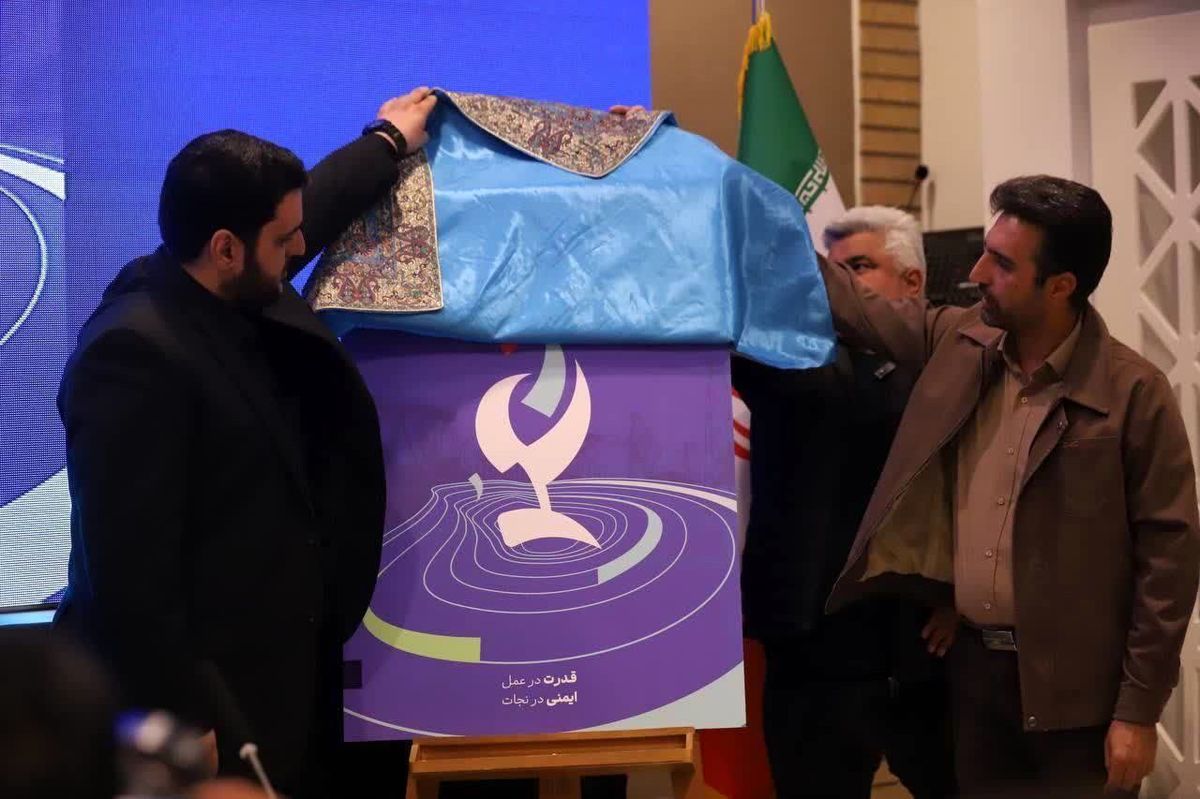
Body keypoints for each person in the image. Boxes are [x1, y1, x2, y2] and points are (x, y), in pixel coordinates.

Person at [55, 88, 438, 797]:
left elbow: (312, 208)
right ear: (226, 248)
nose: (300, 248)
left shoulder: (221, 279)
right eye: (284, 240)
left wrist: (386, 141)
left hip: (289, 661)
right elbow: (128, 572)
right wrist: (184, 712)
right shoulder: (131, 357)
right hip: (223, 695)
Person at [822, 176, 1200, 798]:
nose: (976, 273)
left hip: (1081, 702)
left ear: (1060, 285)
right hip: (974, 681)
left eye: (1001, 263)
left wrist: (1137, 712)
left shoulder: (1133, 392)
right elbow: (856, 306)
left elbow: (1169, 563)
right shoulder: (961, 342)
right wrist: (740, 205)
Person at [735, 206, 956, 798]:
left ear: (912, 281)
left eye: (857, 267)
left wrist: (966, 594)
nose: (837, 286)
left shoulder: (958, 363)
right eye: (830, 270)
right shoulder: (787, 357)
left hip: (926, 650)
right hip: (816, 654)